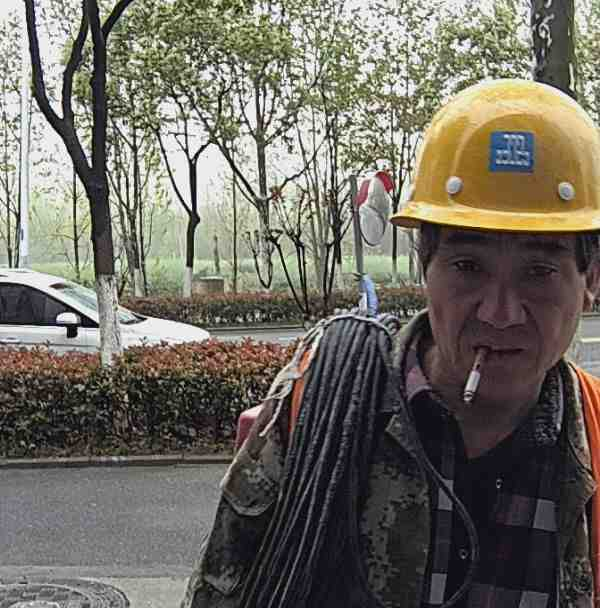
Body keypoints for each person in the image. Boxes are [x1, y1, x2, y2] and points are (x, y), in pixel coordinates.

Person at [181, 79, 600, 608]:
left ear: (591, 279)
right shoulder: (326, 398)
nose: (499, 313)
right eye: (468, 266)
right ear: (425, 265)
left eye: (538, 272)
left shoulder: (594, 438)